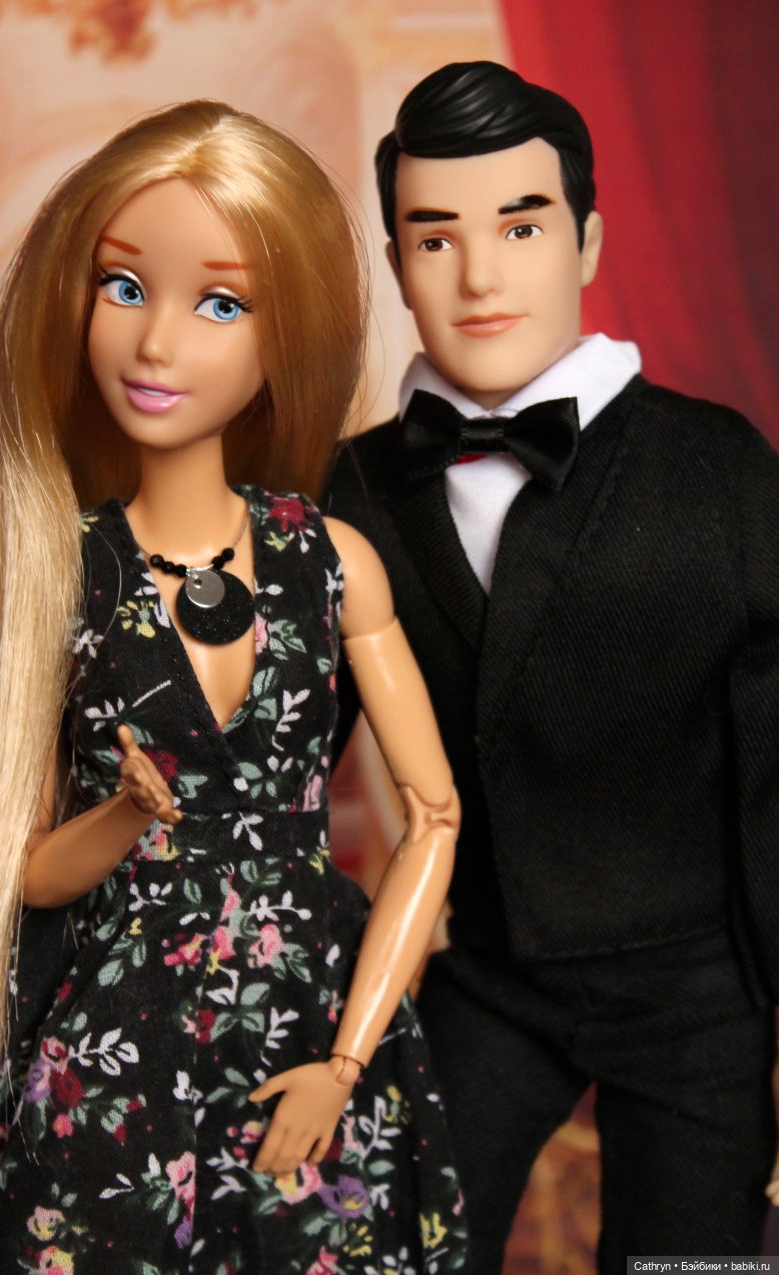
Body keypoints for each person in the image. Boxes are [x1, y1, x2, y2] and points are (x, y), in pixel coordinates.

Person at [0, 99, 467, 1274]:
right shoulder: (63, 569)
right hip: (117, 1035)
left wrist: (347, 1060)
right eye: (124, 288)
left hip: (307, 1022)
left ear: (288, 336)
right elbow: (26, 873)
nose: (156, 345)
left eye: (219, 304)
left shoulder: (332, 562)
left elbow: (433, 814)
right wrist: (126, 814)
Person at [325, 60, 779, 1274]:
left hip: (699, 986)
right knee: (391, 1241)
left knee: (695, 1262)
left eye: (520, 228)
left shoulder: (718, 470)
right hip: (485, 969)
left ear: (586, 242)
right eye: (436, 239)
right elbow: (286, 748)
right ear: (396, 264)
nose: (479, 277)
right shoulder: (356, 488)